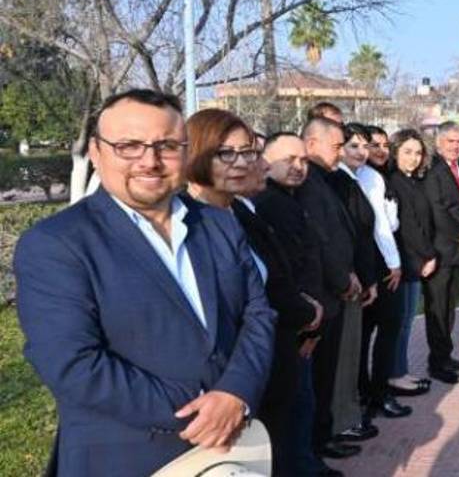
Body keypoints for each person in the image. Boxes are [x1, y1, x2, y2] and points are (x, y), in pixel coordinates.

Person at [14, 89, 275, 476]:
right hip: (125, 456)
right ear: (97, 154)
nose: (150, 161)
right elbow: (72, 363)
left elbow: (258, 314)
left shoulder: (219, 224)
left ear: (186, 152)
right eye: (128, 146)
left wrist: (236, 393)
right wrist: (205, 404)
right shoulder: (57, 243)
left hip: (231, 449)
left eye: (167, 145)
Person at [184, 109, 322, 476]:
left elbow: (269, 286)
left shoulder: (237, 212)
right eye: (227, 153)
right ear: (197, 153)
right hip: (229, 387)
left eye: (248, 152)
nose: (244, 163)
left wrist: (306, 315)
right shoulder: (188, 224)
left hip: (275, 363)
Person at [255, 132, 343, 475]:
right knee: (294, 408)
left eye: (303, 160)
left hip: (307, 319)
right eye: (288, 160)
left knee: (303, 403)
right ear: (266, 161)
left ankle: (307, 462)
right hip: (294, 325)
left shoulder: (289, 199)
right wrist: (307, 321)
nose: (298, 167)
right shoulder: (269, 204)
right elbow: (286, 273)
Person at [296, 117, 368, 459]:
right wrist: (342, 278)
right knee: (321, 377)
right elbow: (319, 241)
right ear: (311, 144)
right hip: (325, 293)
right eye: (337, 146)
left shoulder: (324, 180)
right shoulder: (307, 182)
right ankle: (317, 445)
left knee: (329, 376)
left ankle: (324, 438)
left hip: (338, 288)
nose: (340, 154)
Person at [333, 123, 411, 422]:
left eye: (366, 146)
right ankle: (371, 393)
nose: (364, 152)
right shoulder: (345, 180)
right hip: (373, 266)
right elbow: (378, 226)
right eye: (355, 146)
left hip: (373, 264)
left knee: (383, 331)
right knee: (367, 334)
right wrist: (394, 264)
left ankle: (376, 392)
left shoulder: (368, 176)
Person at [423, 121, 459, 382]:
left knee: (449, 308)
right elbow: (438, 211)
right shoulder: (434, 173)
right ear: (439, 143)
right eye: (451, 141)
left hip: (458, 250)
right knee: (437, 310)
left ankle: (446, 356)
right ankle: (437, 365)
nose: (456, 146)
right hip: (442, 251)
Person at [385, 129, 436, 396]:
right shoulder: (394, 182)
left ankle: (400, 370)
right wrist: (429, 255)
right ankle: (395, 375)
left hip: (413, 261)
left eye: (418, 153)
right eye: (407, 152)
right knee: (401, 322)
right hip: (405, 261)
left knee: (405, 321)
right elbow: (408, 228)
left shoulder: (411, 180)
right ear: (395, 152)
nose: (414, 158)